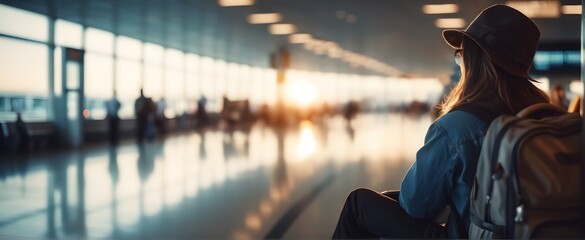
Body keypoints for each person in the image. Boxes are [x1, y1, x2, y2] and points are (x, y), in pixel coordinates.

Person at [332, 5, 550, 238]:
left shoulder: (459, 126)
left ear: (475, 61)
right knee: (387, 198)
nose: (461, 61)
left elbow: (416, 205)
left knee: (360, 204)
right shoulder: (545, 116)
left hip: (473, 235)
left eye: (461, 54)